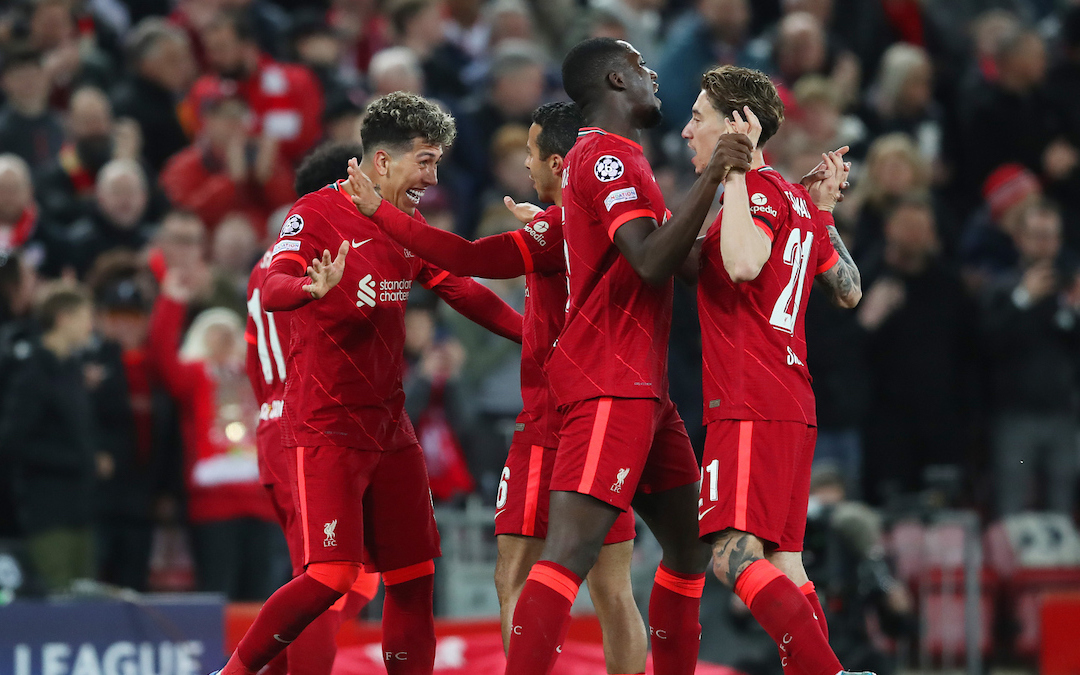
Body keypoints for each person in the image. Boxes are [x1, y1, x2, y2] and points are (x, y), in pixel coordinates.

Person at [214, 91, 524, 675]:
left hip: (391, 427)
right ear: (383, 161)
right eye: (426, 161)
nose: (433, 177)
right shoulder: (314, 214)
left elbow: (461, 287)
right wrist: (309, 289)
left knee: (412, 579)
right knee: (331, 577)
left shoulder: (406, 223)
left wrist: (536, 338)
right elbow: (274, 281)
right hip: (328, 425)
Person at [347, 101, 649, 674]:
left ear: (558, 163)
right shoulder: (590, 225)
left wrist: (383, 216)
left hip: (549, 422)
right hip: (605, 418)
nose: (524, 164)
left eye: (530, 154)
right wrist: (525, 332)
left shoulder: (556, 227)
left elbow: (466, 260)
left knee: (518, 575)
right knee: (613, 589)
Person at [498, 38, 754, 675]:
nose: (653, 77)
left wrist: (765, 204)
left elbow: (687, 259)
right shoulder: (607, 159)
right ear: (617, 79)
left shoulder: (624, 161)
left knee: (690, 549)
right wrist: (711, 175)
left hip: (644, 389)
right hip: (610, 382)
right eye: (642, 68)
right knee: (567, 555)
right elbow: (648, 261)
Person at [682, 65, 866, 675]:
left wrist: (733, 172)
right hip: (791, 401)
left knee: (733, 558)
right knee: (786, 563)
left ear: (738, 125)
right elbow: (849, 287)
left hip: (749, 399)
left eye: (699, 118)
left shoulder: (755, 190)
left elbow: (740, 261)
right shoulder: (791, 196)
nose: (687, 132)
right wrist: (824, 212)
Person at [244, 143, 381, 675]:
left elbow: (256, 359)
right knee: (331, 578)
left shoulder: (268, 262)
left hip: (274, 427)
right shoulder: (324, 256)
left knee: (332, 577)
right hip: (312, 425)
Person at [0, 285, 102, 592]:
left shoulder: (71, 369)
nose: (90, 326)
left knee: (84, 601)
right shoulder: (32, 371)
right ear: (62, 318)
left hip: (80, 509)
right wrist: (77, 460)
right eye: (85, 317)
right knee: (58, 603)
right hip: (47, 510)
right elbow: (12, 443)